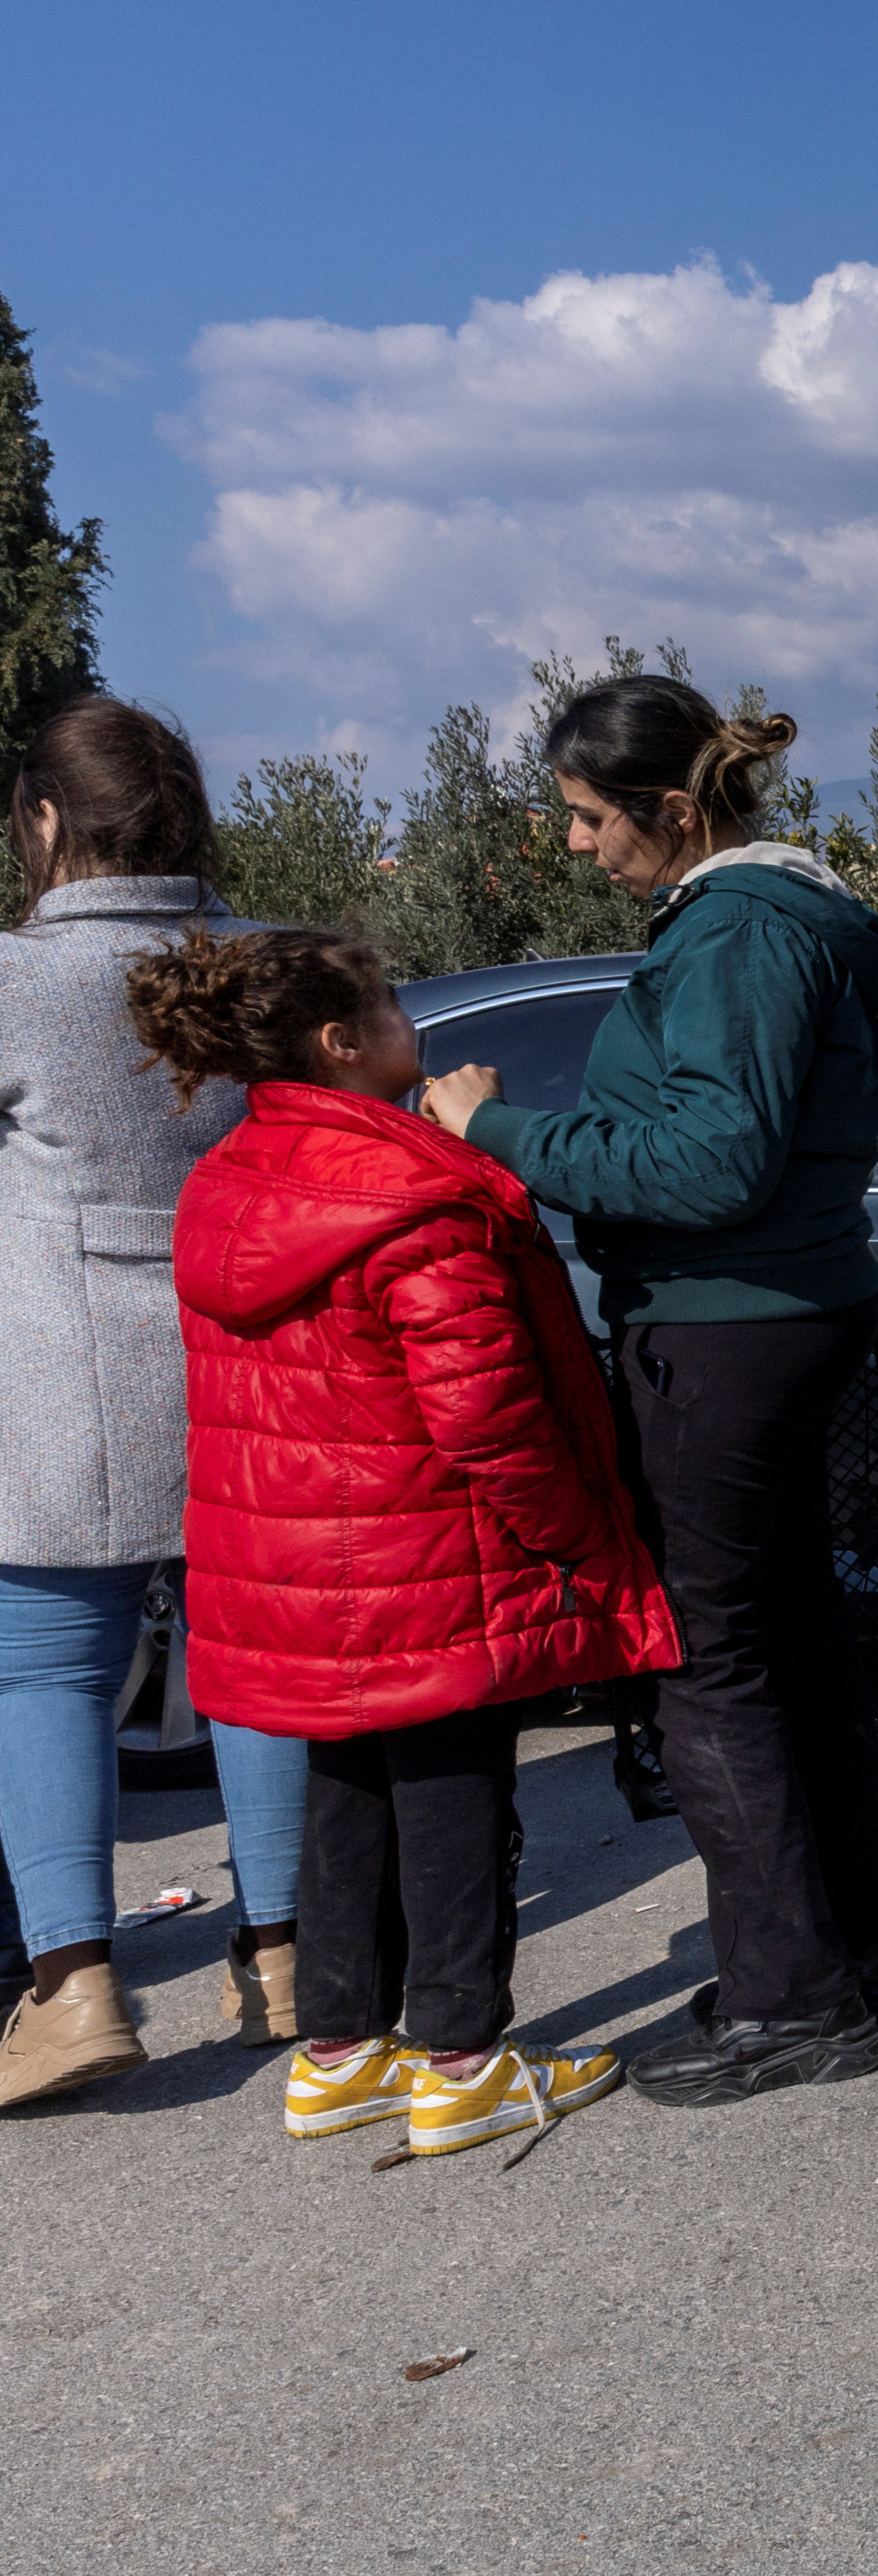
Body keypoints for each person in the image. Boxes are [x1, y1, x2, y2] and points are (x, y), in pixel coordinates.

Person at [421, 677, 878, 2108]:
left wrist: (500, 1128)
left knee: (709, 1662)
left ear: (672, 811)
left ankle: (794, 1997)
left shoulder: (739, 931)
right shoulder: (758, 921)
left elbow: (709, 1165)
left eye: (587, 818)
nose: (576, 846)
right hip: (773, 1314)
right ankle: (843, 1954)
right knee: (790, 1641)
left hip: (726, 1329)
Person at [134, 928, 677, 2151]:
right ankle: (463, 2057)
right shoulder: (416, 1191)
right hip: (435, 1553)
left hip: (301, 1565)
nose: (408, 1021)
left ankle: (337, 2050)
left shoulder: (224, 1182)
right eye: (386, 1005)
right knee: (454, 1800)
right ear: (340, 1042)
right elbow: (487, 1409)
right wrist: (578, 1538)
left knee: (348, 1791)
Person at [0, 696, 309, 2110]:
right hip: (252, 1357)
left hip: (61, 1382)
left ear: (48, 824)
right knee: (253, 1670)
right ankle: (289, 1959)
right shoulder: (262, 968)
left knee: (47, 1678)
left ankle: (76, 1990)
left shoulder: (15, 983)